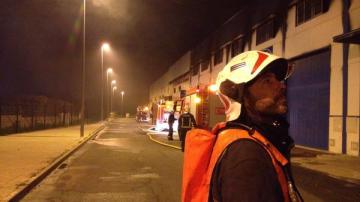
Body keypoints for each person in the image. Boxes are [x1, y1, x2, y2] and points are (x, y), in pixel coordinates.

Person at [209, 51, 302, 201]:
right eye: (267, 81)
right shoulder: (246, 155)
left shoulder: (255, 140)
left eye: (278, 79)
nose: (282, 86)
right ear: (239, 94)